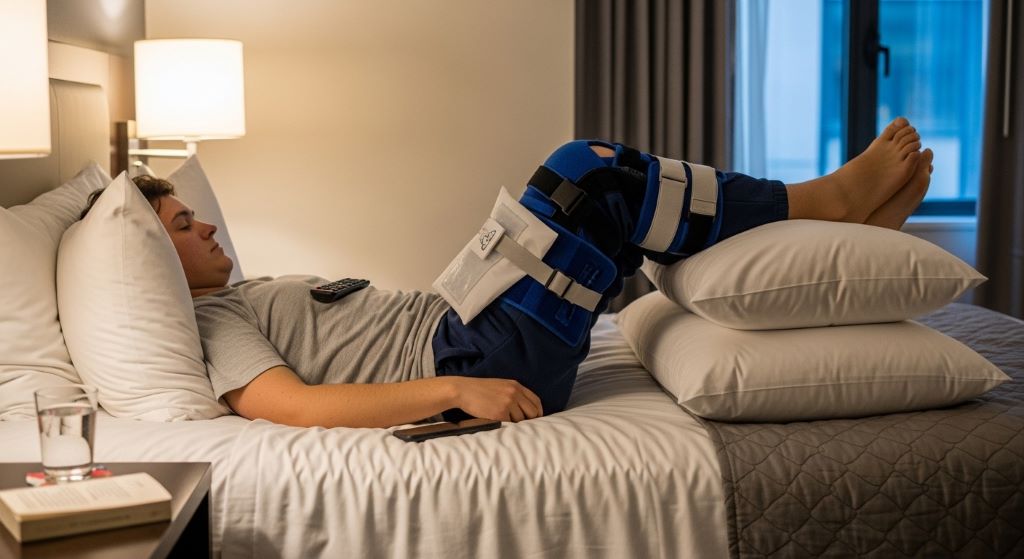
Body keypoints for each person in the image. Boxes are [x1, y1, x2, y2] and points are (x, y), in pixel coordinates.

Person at [83, 118, 933, 428]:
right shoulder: (212, 325)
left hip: (469, 320)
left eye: (194, 213)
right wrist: (458, 392)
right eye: (183, 228)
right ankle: (819, 201)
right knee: (584, 171)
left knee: (611, 218)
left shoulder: (237, 293)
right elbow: (295, 407)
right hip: (470, 356)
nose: (205, 227)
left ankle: (837, 222)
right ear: (157, 260)